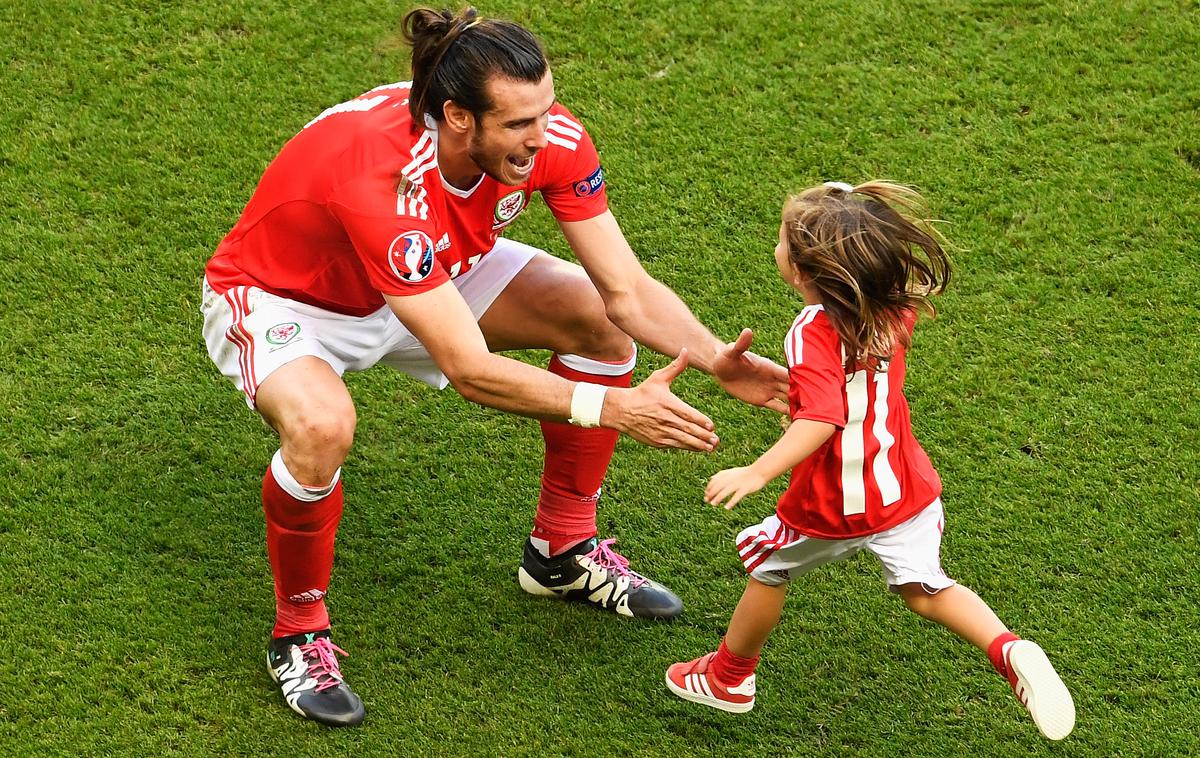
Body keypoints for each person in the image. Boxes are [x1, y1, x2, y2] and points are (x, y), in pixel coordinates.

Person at [200, 6, 788, 727]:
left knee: (597, 323)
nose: (541, 139)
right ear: (456, 118)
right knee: (322, 427)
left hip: (432, 272)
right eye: (517, 125)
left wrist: (713, 358)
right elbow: (470, 369)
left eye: (545, 112)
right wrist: (613, 407)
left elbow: (626, 292)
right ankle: (299, 631)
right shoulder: (382, 179)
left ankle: (561, 552)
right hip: (290, 300)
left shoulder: (547, 138)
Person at [664, 181, 1076, 741]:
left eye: (783, 243)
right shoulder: (893, 309)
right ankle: (1008, 648)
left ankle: (729, 678)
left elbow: (821, 418)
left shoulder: (811, 331)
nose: (777, 249)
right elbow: (836, 393)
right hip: (905, 489)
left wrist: (756, 471)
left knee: (769, 566)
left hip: (835, 501)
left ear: (805, 272)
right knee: (926, 590)